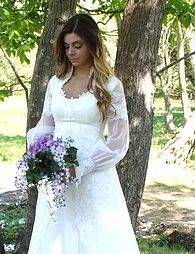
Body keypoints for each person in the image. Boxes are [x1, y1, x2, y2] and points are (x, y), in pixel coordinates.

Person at [26, 13, 140, 253]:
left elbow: (119, 141)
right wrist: (39, 154)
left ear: (92, 45)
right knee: (57, 235)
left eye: (78, 46)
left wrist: (82, 167)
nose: (71, 52)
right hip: (58, 176)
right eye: (67, 47)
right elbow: (46, 126)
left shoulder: (109, 85)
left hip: (94, 172)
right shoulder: (55, 84)